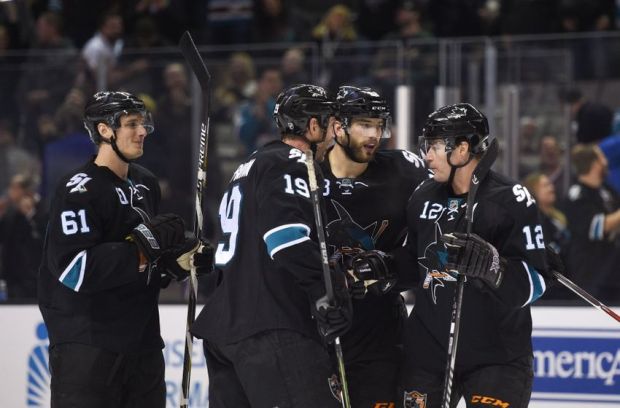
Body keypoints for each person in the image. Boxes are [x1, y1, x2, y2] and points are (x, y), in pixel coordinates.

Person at [38, 91, 212, 407]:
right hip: (88, 345)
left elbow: (145, 264)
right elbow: (75, 269)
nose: (142, 131)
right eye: (131, 123)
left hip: (142, 343)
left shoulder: (146, 184)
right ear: (104, 130)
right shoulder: (79, 189)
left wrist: (175, 263)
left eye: (143, 123)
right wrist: (143, 250)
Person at [191, 84, 352, 408]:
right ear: (312, 127)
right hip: (273, 326)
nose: (335, 136)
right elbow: (284, 239)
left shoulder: (247, 166)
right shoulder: (294, 161)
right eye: (330, 124)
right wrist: (328, 289)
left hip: (227, 329)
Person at [397, 103, 550, 407]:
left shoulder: (511, 200)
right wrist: (382, 268)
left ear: (462, 149)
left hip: (498, 357)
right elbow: (411, 262)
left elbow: (537, 282)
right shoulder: (422, 195)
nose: (426, 155)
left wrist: (494, 267)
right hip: (428, 352)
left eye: (434, 146)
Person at [320, 85, 428, 407]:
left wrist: (391, 267)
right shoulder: (303, 175)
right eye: (365, 124)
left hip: (380, 330)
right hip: (317, 327)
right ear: (338, 127)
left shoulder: (406, 171)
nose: (375, 135)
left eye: (380, 125)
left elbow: (430, 245)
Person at [561, 143, 620, 302]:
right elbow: (598, 227)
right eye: (602, 158)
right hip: (591, 275)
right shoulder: (577, 195)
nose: (606, 162)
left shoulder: (607, 191)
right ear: (594, 164)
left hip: (613, 272)